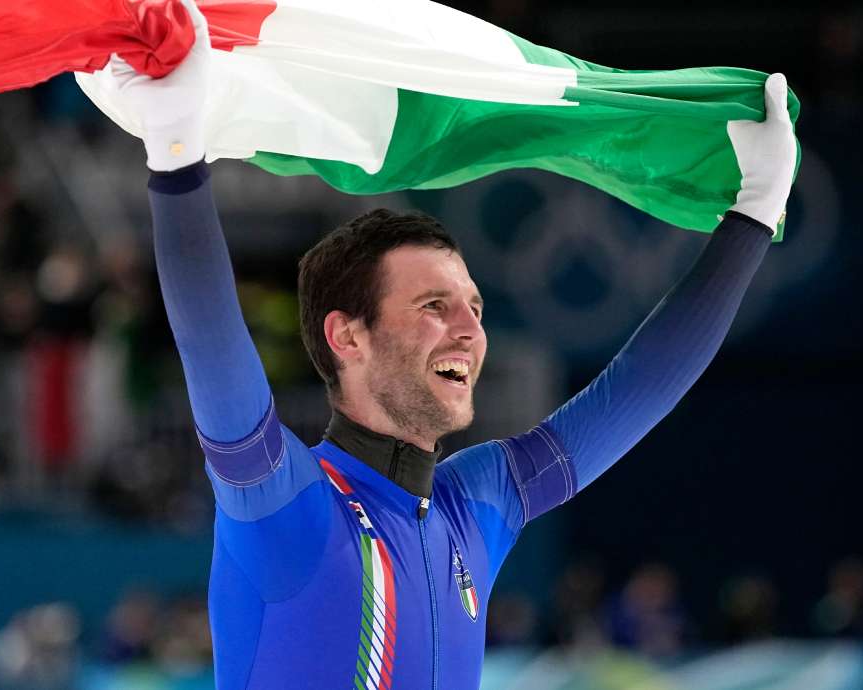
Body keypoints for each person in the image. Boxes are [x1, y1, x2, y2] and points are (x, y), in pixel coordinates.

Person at [113, 2, 797, 687]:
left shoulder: (475, 506)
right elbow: (212, 342)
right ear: (347, 336)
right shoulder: (288, 509)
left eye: (473, 306)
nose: (470, 330)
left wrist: (751, 218)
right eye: (434, 307)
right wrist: (176, 157)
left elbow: (637, 390)